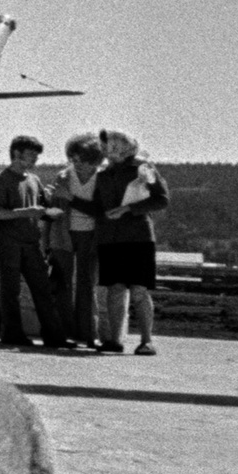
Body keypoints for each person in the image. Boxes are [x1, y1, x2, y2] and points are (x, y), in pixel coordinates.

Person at [0, 135, 69, 349]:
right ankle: (11, 334)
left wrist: (50, 212)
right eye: (31, 155)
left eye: (36, 156)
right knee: (10, 290)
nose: (35, 160)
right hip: (8, 243)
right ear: (16, 154)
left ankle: (54, 336)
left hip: (31, 243)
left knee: (43, 288)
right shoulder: (0, 180)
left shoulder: (34, 180)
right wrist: (27, 212)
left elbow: (40, 208)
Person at [91, 129, 169, 355]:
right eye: (104, 146)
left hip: (138, 237)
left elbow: (161, 199)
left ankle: (146, 340)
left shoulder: (143, 168)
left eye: (108, 145)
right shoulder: (104, 174)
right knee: (115, 289)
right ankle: (115, 340)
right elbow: (98, 205)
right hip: (110, 238)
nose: (105, 150)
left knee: (139, 289)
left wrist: (129, 209)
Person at [49, 134, 106, 348]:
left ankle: (90, 334)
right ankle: (63, 334)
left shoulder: (103, 178)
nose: (78, 165)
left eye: (84, 161)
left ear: (96, 161)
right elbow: (54, 208)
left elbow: (100, 211)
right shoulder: (63, 176)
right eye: (74, 159)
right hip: (63, 234)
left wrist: (71, 199)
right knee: (62, 283)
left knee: (87, 285)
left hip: (91, 237)